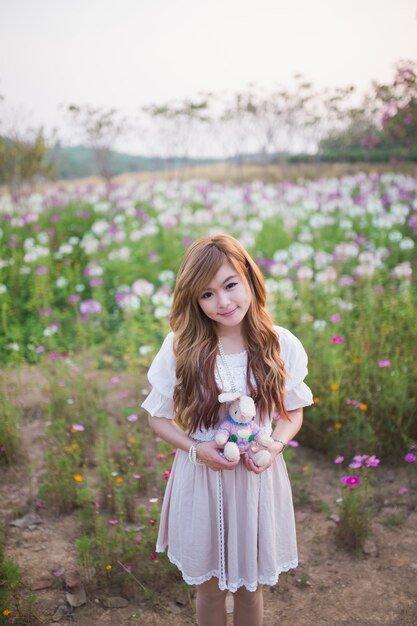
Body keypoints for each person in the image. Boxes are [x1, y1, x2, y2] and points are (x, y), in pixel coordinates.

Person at [141, 234, 313, 626]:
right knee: (211, 590)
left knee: (251, 590)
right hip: (203, 476)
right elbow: (158, 417)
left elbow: (292, 413)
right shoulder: (181, 347)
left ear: (250, 278)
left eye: (230, 285)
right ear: (194, 301)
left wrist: (274, 448)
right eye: (207, 294)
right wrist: (195, 449)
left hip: (256, 480)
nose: (223, 302)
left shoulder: (278, 343)